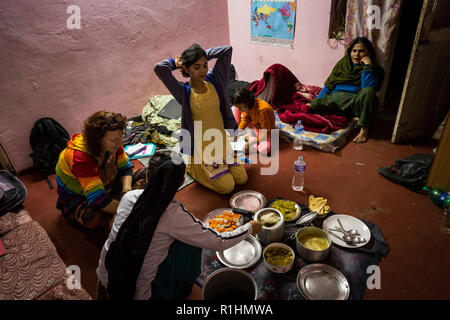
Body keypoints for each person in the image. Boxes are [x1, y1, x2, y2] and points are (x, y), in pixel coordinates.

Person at [97, 150, 263, 300]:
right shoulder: (173, 214)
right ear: (182, 181)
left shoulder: (129, 197)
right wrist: (249, 228)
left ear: (147, 176)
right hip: (138, 295)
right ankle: (178, 292)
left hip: (105, 275)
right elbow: (217, 241)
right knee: (190, 244)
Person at [154, 44, 247, 194]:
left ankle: (211, 168)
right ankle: (193, 167)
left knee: (242, 179)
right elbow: (160, 68)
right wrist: (176, 63)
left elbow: (227, 50)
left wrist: (204, 55)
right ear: (186, 69)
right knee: (227, 187)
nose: (203, 70)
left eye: (204, 65)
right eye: (196, 67)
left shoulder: (214, 80)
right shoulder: (183, 91)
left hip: (220, 142)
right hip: (201, 148)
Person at [55, 110, 147, 230]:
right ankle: (126, 206)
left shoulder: (113, 145)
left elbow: (125, 169)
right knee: (93, 218)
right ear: (98, 140)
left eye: (120, 138)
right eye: (114, 141)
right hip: (81, 199)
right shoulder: (79, 158)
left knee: (151, 173)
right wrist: (132, 210)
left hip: (107, 187)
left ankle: (120, 205)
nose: (119, 143)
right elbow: (96, 199)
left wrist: (127, 191)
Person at [310, 37, 384, 143]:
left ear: (369, 52)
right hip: (336, 100)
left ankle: (364, 129)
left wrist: (367, 67)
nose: (357, 54)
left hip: (355, 102)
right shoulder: (342, 64)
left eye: (361, 51)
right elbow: (329, 85)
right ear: (350, 52)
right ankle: (351, 117)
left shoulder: (375, 69)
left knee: (368, 92)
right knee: (315, 104)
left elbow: (367, 88)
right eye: (354, 51)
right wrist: (318, 100)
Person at [231, 87, 275, 154]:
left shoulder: (262, 110)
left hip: (264, 132)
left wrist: (250, 143)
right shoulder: (248, 106)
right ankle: (248, 137)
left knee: (265, 150)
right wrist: (238, 132)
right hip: (255, 125)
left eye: (241, 107)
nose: (240, 110)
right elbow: (246, 118)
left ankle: (250, 138)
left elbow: (265, 133)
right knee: (235, 108)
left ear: (247, 102)